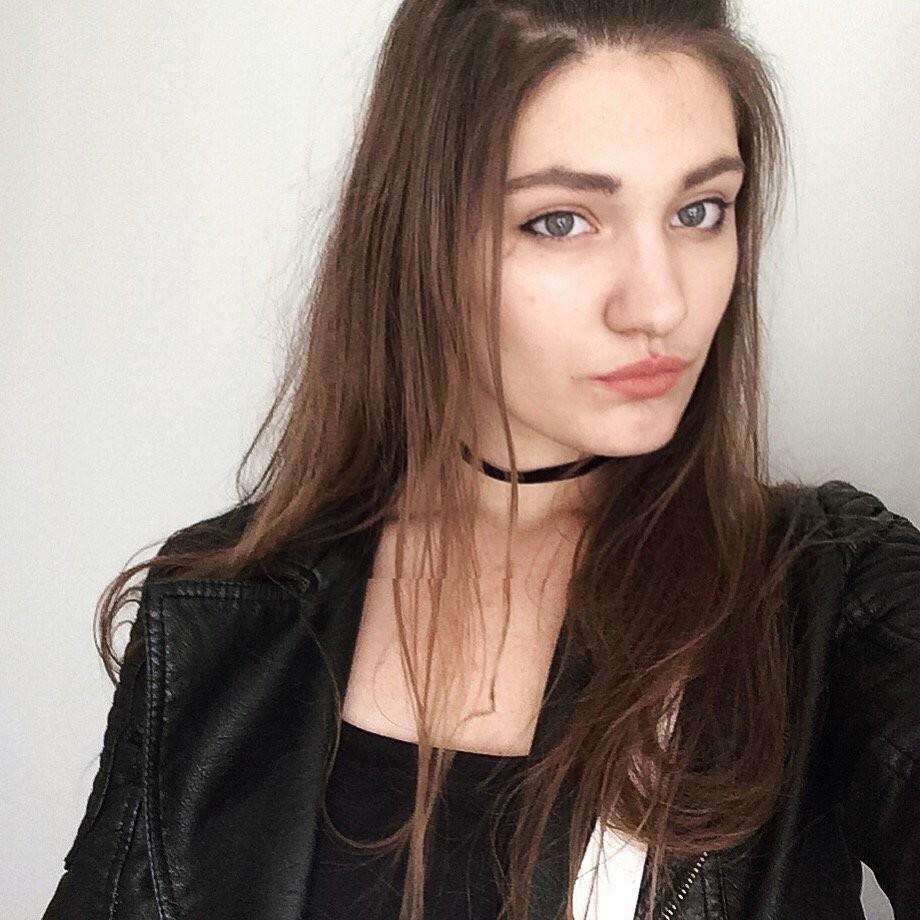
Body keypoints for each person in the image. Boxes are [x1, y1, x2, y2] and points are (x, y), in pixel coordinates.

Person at [42, 0, 919, 918]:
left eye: (699, 211)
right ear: (420, 235)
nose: (659, 304)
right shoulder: (217, 613)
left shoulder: (826, 592)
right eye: (561, 221)